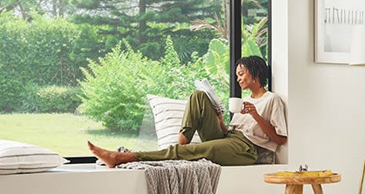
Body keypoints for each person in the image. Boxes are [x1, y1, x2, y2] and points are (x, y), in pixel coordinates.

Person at [88, 55, 287, 167]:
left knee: (199, 150)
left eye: (241, 74)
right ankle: (181, 144)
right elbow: (228, 133)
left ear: (256, 73)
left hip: (246, 149)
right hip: (230, 138)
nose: (238, 78)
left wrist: (255, 115)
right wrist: (219, 120)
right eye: (237, 75)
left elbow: (280, 139)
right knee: (198, 96)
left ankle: (122, 157)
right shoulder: (244, 100)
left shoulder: (272, 99)